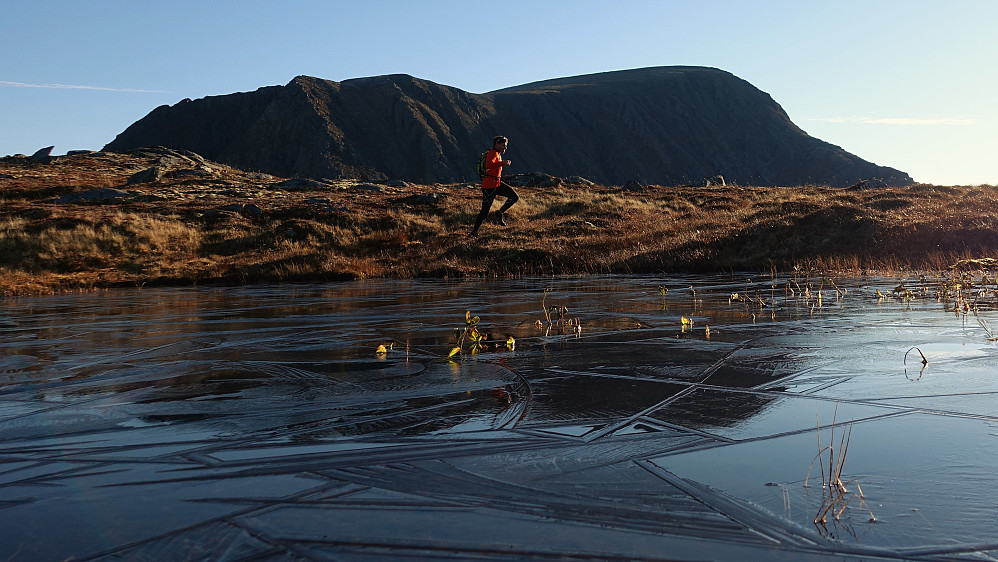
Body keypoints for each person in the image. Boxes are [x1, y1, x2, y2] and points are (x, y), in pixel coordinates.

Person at [471, 135, 519, 236]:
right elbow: (489, 165)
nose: (505, 148)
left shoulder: (497, 153)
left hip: (496, 184)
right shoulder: (492, 153)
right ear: (497, 144)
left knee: (514, 197)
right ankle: (474, 232)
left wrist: (501, 162)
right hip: (489, 186)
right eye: (503, 145)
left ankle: (498, 213)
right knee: (484, 211)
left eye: (505, 146)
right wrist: (503, 163)